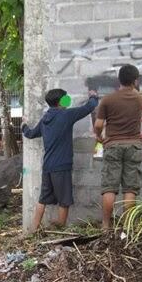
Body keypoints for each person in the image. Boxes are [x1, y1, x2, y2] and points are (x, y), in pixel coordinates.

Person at [22, 89, 99, 232]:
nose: (67, 101)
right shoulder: (66, 115)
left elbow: (31, 134)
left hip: (48, 166)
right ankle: (60, 231)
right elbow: (88, 108)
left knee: (43, 199)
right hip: (61, 166)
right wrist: (94, 96)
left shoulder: (46, 118)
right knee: (64, 200)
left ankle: (33, 229)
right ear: (60, 102)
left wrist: (24, 126)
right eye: (65, 99)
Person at [94, 64, 142, 229]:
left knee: (109, 187)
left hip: (112, 145)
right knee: (130, 188)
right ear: (135, 80)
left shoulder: (107, 100)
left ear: (119, 80)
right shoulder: (141, 99)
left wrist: (99, 137)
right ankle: (127, 227)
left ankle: (105, 226)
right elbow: (138, 95)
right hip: (133, 145)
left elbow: (98, 124)